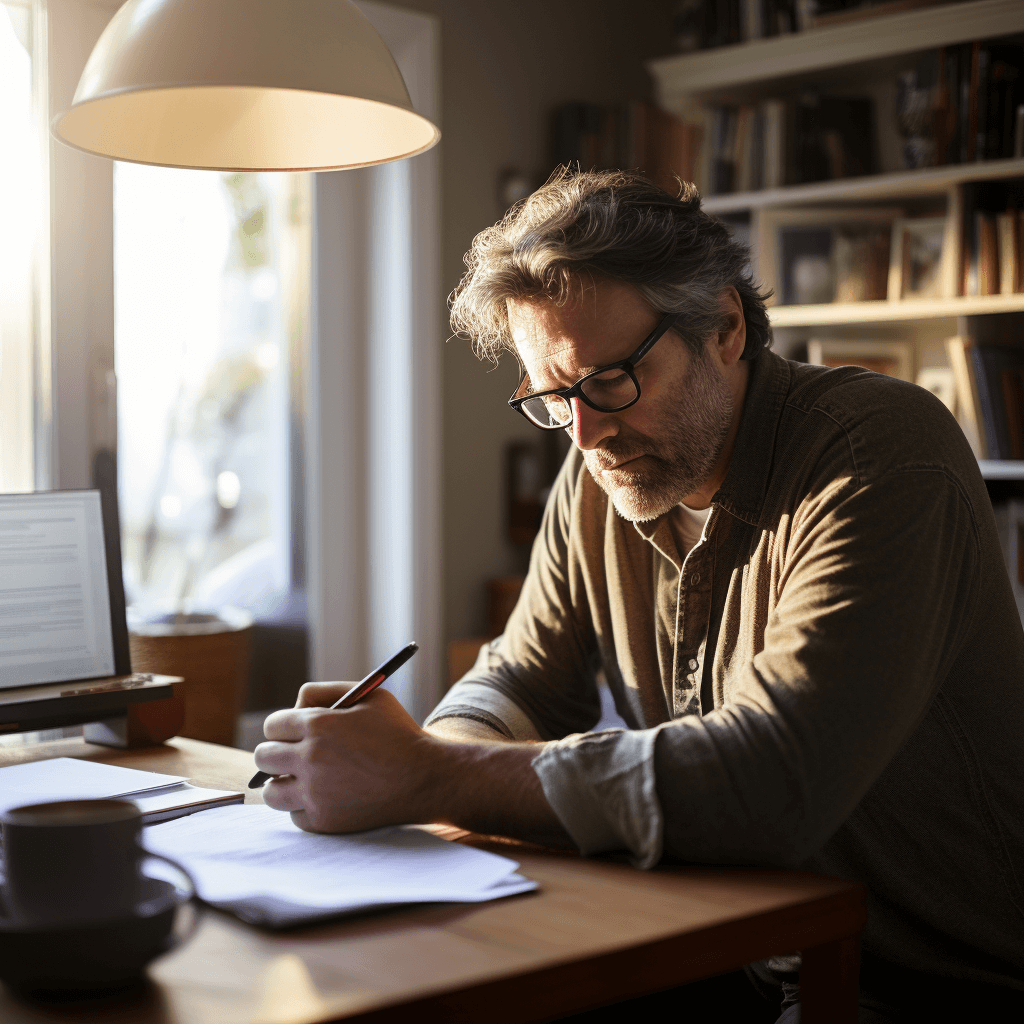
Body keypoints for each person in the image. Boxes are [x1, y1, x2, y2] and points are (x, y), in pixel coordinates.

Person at [254, 169, 1024, 1020]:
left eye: (610, 380)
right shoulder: (602, 477)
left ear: (725, 327)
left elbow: (773, 782)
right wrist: (421, 759)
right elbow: (519, 680)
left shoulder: (880, 456)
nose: (583, 434)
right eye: (552, 396)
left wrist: (430, 777)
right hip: (731, 946)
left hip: (928, 984)